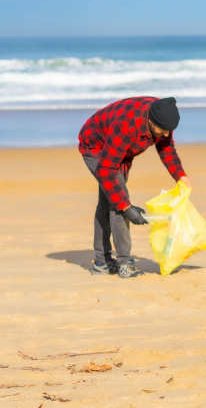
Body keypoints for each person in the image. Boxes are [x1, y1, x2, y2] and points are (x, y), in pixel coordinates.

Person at [78, 96, 190, 278]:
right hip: (96, 149)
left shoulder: (163, 116)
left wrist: (180, 176)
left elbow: (166, 149)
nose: (167, 134)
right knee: (118, 203)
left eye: (170, 130)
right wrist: (127, 207)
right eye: (163, 130)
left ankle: (101, 261)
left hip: (118, 152)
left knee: (108, 202)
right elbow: (106, 169)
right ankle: (124, 263)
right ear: (150, 121)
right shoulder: (127, 126)